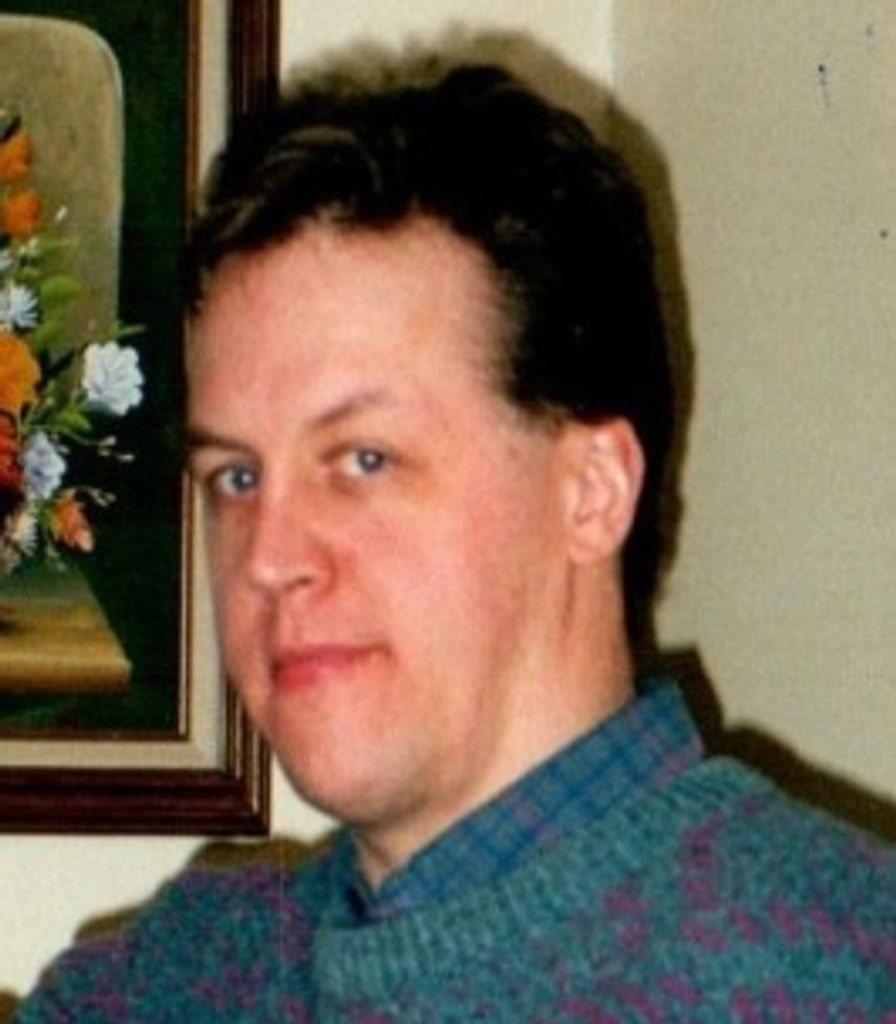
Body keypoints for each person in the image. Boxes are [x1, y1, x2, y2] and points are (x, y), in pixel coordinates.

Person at [15, 45, 896, 1022]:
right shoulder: (178, 979)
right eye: (237, 477)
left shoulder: (830, 971)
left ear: (592, 491)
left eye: (363, 459)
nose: (267, 557)